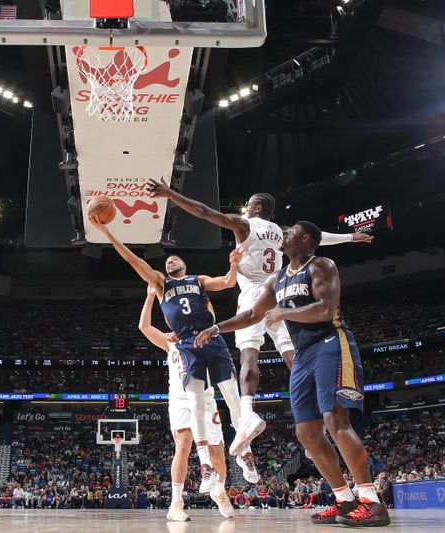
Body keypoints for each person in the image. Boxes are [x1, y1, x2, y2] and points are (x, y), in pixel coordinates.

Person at [146, 181, 371, 471]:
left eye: (250, 204)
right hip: (279, 290)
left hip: (255, 293)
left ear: (257, 208)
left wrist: (170, 194)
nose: (246, 208)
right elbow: (320, 237)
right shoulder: (283, 232)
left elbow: (203, 212)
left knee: (248, 353)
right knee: (292, 354)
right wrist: (351, 237)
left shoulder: (245, 224)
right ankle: (316, 402)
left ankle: (248, 413)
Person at [195, 221, 390, 527]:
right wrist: (218, 327)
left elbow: (326, 309)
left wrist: (284, 313)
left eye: (292, 231)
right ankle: (344, 499)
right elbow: (252, 315)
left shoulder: (322, 265)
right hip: (304, 354)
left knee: (335, 420)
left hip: (330, 343)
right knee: (306, 433)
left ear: (307, 238)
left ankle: (370, 500)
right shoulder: (277, 279)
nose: (285, 235)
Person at [88, 214, 250, 494]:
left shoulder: (198, 282)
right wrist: (106, 231)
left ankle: (233, 474)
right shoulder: (163, 288)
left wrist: (234, 265)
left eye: (173, 259)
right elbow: (132, 261)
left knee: (221, 442)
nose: (169, 262)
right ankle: (191, 487)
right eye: (166, 262)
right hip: (182, 382)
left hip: (207, 351)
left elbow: (225, 282)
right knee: (186, 443)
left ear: (185, 265)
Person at [137, 285, 234, 521]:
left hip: (205, 397)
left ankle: (220, 490)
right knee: (182, 445)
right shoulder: (169, 341)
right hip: (179, 398)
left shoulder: (205, 335)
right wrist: (150, 296)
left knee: (217, 453)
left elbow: (210, 313)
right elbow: (144, 327)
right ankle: (176, 503)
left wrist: (202, 299)